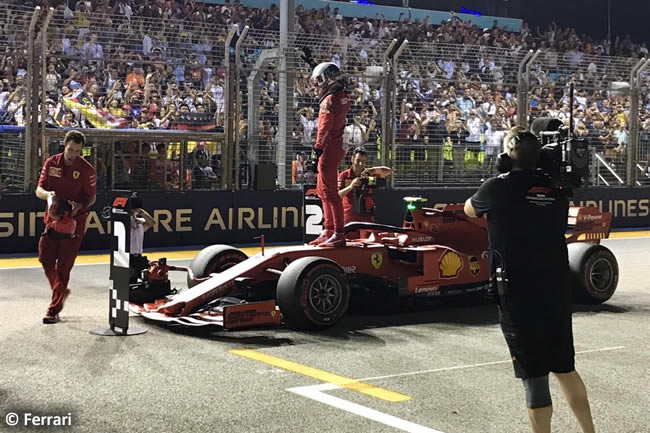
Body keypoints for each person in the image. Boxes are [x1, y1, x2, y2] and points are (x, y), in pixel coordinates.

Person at [463, 126, 596, 433]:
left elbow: (471, 210)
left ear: (506, 158)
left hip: (518, 292)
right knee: (565, 368)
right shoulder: (557, 194)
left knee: (535, 378)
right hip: (556, 289)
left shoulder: (496, 188)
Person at [35, 130, 97, 324]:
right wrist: (49, 196)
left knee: (64, 267)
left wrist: (80, 206)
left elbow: (92, 196)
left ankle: (53, 310)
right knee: (44, 258)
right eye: (70, 149)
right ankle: (60, 289)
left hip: (75, 223)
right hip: (52, 218)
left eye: (77, 151)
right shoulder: (51, 162)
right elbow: (39, 190)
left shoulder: (87, 170)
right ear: (64, 144)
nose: (73, 154)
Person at [308, 62, 351, 247]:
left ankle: (338, 232)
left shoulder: (329, 101)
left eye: (318, 82)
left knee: (330, 193)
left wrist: (317, 150)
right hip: (336, 146)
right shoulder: (342, 96)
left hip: (328, 148)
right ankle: (329, 230)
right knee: (323, 191)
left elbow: (324, 128)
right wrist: (313, 64)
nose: (317, 87)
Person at [338, 147, 392, 226]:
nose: (361, 164)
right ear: (352, 159)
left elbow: (389, 171)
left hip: (367, 216)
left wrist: (373, 170)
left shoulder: (369, 174)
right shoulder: (344, 175)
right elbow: (338, 195)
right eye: (358, 160)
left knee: (369, 237)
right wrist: (351, 186)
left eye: (363, 161)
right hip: (349, 216)